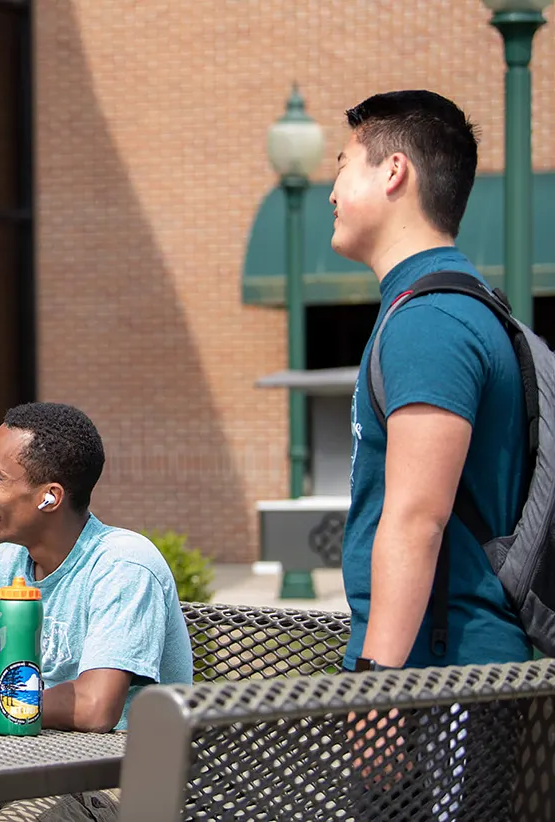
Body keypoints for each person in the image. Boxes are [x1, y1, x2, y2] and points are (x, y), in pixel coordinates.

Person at [332, 91, 528, 820]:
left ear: (394, 173)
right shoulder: (443, 307)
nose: (330, 188)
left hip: (442, 686)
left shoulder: (431, 323)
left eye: (344, 163)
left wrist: (378, 689)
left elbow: (416, 518)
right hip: (439, 679)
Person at [0, 402, 192, 822]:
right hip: (34, 758)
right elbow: (23, 683)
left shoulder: (123, 566)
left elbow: (94, 708)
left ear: (50, 496)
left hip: (123, 777)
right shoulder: (9, 563)